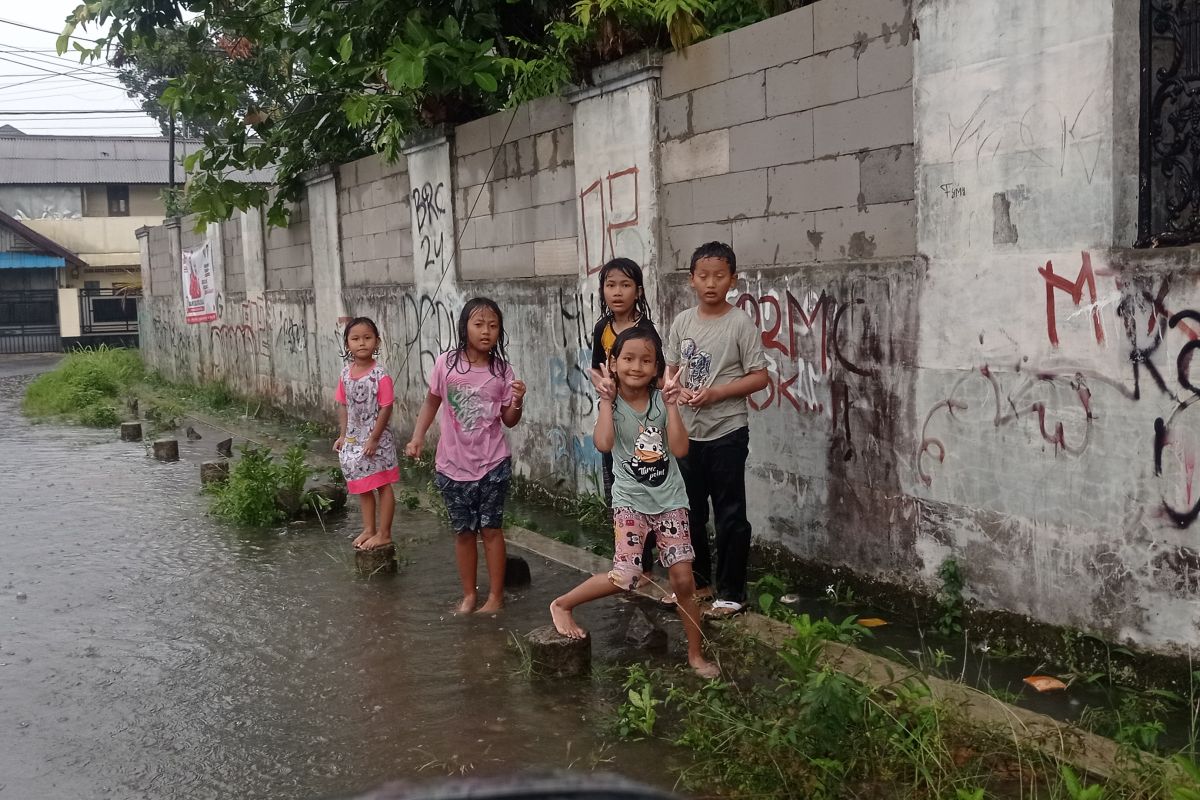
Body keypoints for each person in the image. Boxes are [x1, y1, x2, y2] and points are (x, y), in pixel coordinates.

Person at [550, 327, 719, 679]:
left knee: (684, 581)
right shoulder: (612, 402)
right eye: (627, 359)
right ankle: (562, 604)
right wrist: (606, 402)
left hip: (671, 500)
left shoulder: (662, 401)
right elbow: (604, 443)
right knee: (626, 575)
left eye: (646, 360)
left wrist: (672, 405)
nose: (636, 366)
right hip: (630, 503)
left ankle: (694, 655)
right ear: (613, 363)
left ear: (657, 367)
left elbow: (680, 449)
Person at [666, 242, 768, 620]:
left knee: (729, 514)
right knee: (689, 513)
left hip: (727, 432)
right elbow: (671, 369)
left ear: (733, 280)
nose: (711, 283)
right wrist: (673, 390)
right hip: (687, 434)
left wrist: (717, 393)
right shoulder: (682, 322)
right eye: (703, 276)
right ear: (691, 279)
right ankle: (699, 583)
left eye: (719, 276)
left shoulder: (739, 323)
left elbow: (761, 377)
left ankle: (732, 592)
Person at [405, 298, 526, 615]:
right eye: (479, 324)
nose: (486, 332)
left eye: (493, 326)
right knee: (463, 533)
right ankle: (470, 595)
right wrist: (418, 437)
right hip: (452, 466)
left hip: (492, 464)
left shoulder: (502, 371)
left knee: (491, 530)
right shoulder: (446, 364)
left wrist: (518, 401)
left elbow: (509, 420)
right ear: (464, 328)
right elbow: (432, 402)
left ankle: (495, 597)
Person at [590, 258, 658, 580]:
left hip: (642, 424)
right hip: (611, 416)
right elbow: (594, 367)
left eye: (625, 285)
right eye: (610, 285)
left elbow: (655, 375)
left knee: (647, 483)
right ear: (602, 290)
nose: (617, 292)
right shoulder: (601, 329)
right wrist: (602, 385)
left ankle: (646, 562)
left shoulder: (646, 331)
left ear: (638, 291)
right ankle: (628, 559)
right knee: (617, 486)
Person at [334, 317, 400, 551]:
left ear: (377, 342)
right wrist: (342, 435)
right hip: (354, 439)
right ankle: (369, 528)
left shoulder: (380, 376)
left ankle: (384, 533)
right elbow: (343, 405)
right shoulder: (345, 374)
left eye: (367, 338)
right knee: (363, 486)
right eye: (355, 339)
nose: (362, 343)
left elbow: (386, 407)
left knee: (383, 484)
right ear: (347, 345)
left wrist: (374, 438)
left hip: (377, 441)